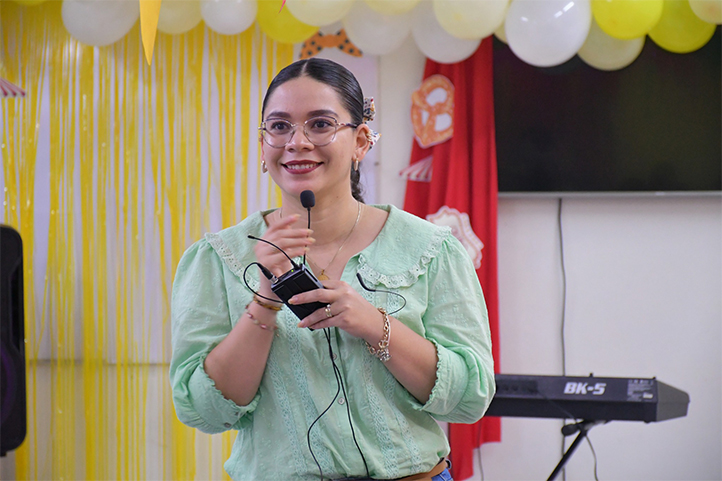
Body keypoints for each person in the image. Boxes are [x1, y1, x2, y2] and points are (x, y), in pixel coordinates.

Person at [170, 57, 495, 481]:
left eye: (320, 124)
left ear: (361, 140)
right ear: (263, 144)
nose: (297, 142)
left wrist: (375, 325)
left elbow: (469, 398)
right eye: (280, 126)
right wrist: (264, 304)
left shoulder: (431, 249)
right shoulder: (217, 259)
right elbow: (205, 412)